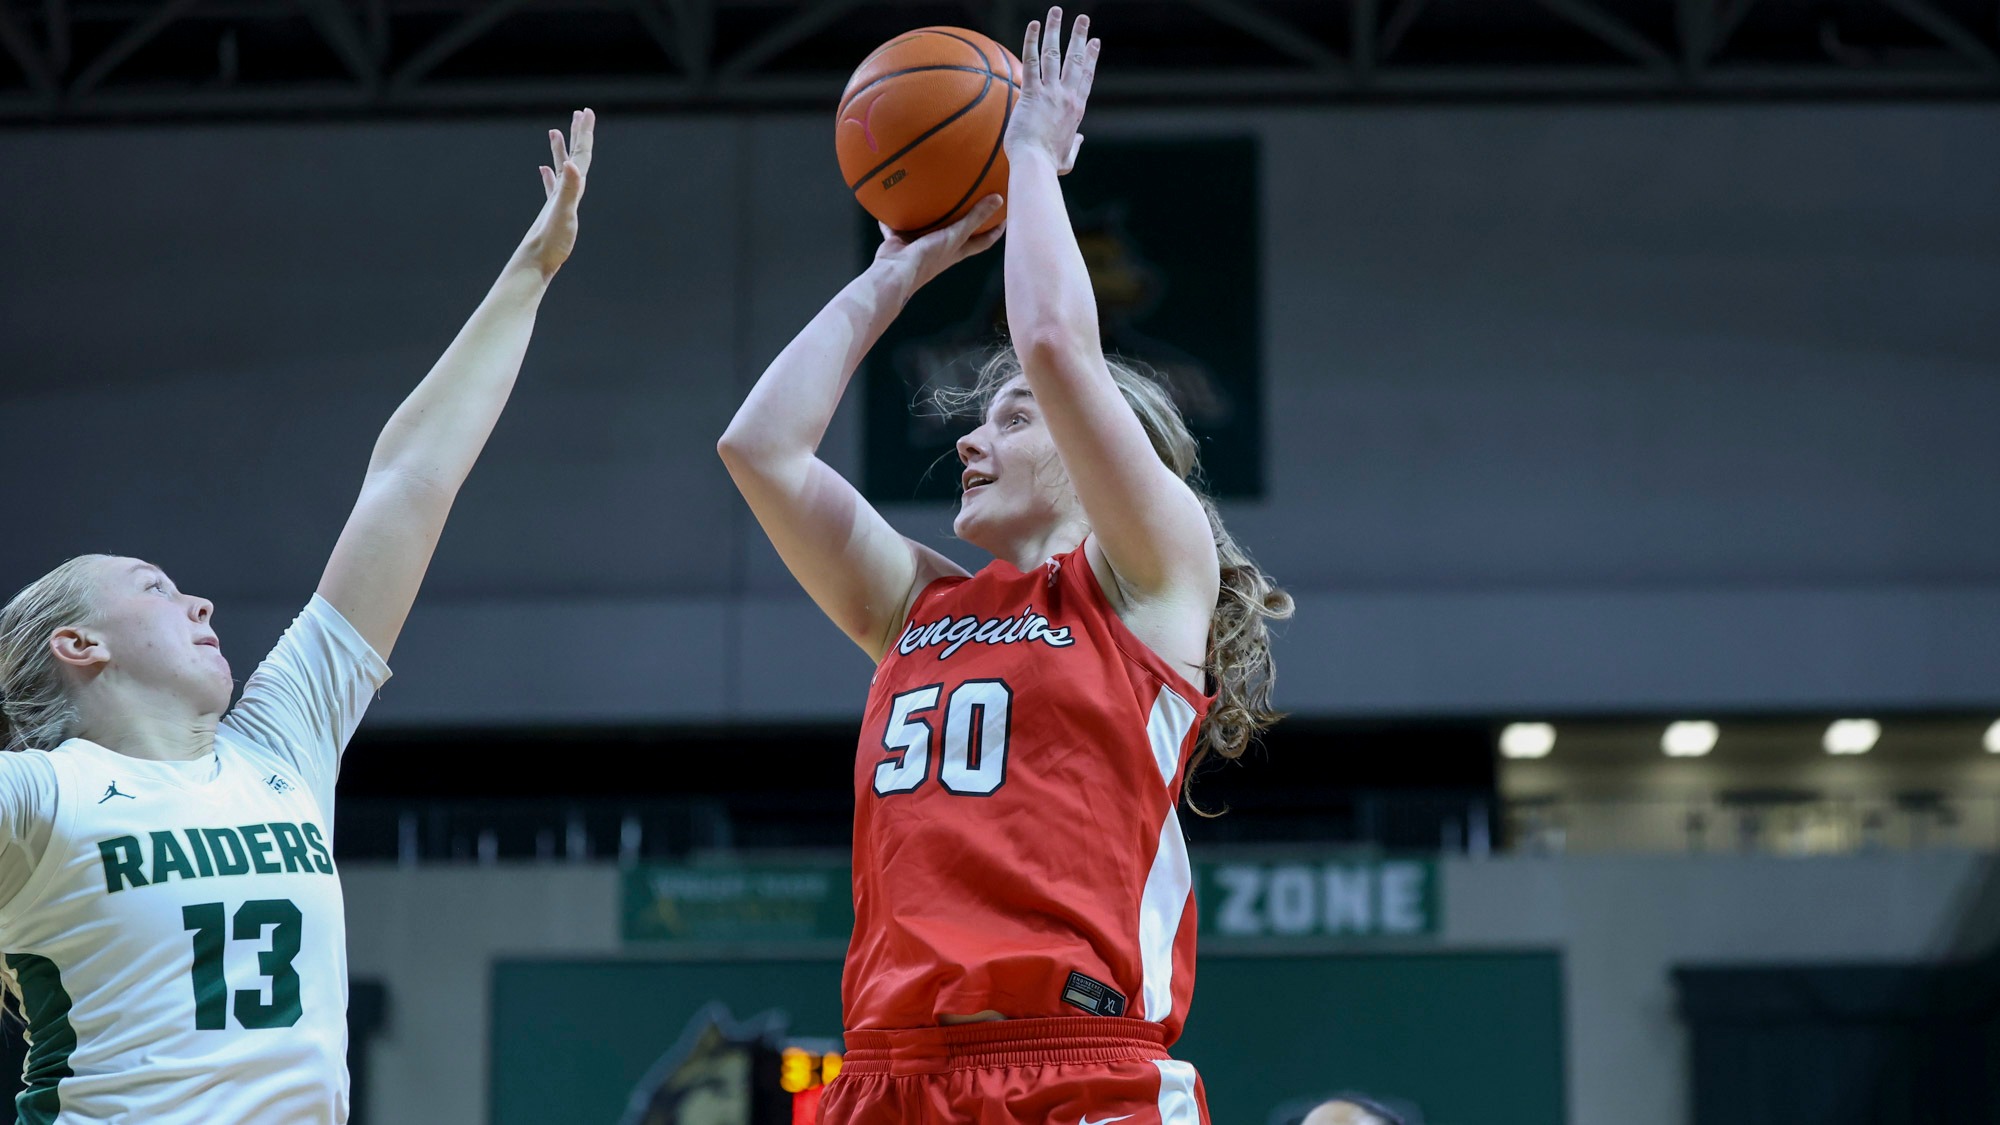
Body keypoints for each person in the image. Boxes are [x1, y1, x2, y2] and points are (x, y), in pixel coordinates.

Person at [717, 10, 1289, 1122]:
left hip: (1074, 1065)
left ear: (1098, 453)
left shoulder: (1149, 580)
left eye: (1014, 420)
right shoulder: (917, 608)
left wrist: (1030, 156)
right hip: (887, 1073)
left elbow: (1055, 343)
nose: (972, 440)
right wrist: (898, 269)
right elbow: (759, 448)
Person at [0, 109, 594, 1123]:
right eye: (152, 584)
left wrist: (529, 273)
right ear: (78, 644)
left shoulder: (281, 743)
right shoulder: (41, 797)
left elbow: (410, 482)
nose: (197, 599)